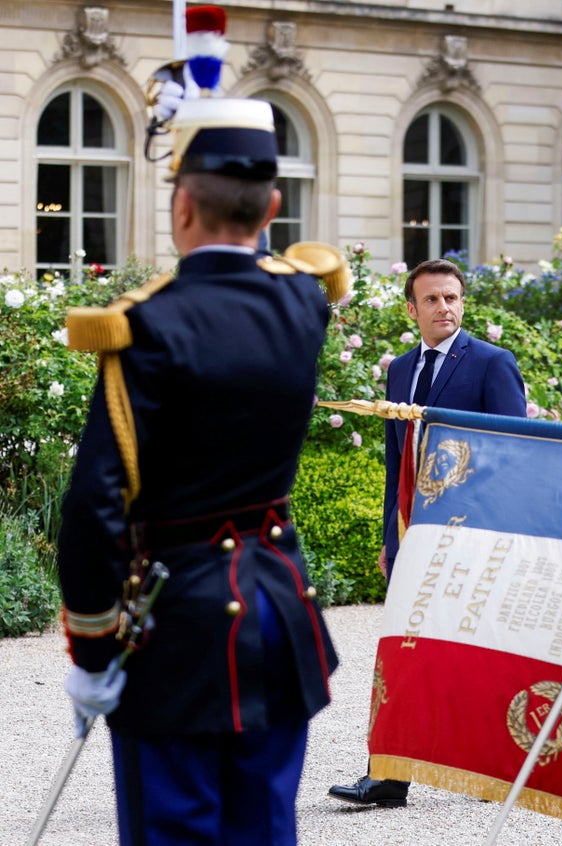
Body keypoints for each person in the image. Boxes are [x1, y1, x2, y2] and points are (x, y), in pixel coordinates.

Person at [57, 94, 347, 845]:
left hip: (178, 624)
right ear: (273, 205)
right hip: (281, 609)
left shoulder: (147, 322)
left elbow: (96, 502)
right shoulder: (304, 302)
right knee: (264, 828)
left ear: (182, 205)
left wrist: (93, 649)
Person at [327, 256, 526, 808]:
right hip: (416, 536)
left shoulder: (492, 364)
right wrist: (392, 541)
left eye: (453, 298)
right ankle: (388, 778)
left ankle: (497, 770)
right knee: (404, 653)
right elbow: (397, 466)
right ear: (411, 308)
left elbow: (513, 456)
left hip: (475, 536)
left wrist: (500, 538)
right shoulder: (398, 371)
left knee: (478, 655)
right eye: (433, 300)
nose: (445, 308)